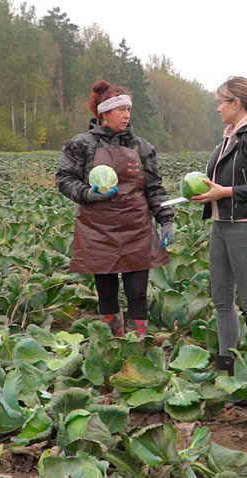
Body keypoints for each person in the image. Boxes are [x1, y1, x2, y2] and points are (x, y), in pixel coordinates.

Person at [56, 80, 175, 337]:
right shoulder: (82, 145)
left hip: (136, 227)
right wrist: (88, 193)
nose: (127, 115)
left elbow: (154, 187)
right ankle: (113, 341)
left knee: (137, 294)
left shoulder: (141, 147)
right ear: (104, 114)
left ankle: (137, 344)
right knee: (107, 293)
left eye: (128, 110)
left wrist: (166, 220)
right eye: (121, 110)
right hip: (97, 229)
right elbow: (64, 180)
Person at [191, 76, 247, 375]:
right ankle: (226, 371)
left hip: (246, 226)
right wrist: (208, 194)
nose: (217, 108)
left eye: (221, 102)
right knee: (221, 301)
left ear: (236, 103)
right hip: (221, 224)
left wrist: (224, 193)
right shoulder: (230, 136)